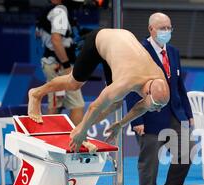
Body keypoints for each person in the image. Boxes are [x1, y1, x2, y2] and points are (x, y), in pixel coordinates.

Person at [27, 28, 170, 152]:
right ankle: (36, 94)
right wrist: (83, 130)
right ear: (147, 92)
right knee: (74, 84)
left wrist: (120, 124)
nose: (158, 110)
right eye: (157, 106)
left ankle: (79, 132)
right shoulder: (125, 84)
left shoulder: (159, 80)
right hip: (100, 40)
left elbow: (143, 106)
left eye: (161, 106)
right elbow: (94, 106)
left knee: (115, 104)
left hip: (120, 46)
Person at [125, 12, 194, 185]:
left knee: (186, 151)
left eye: (169, 28)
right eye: (162, 28)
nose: (167, 31)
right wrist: (136, 119)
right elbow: (131, 88)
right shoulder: (138, 52)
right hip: (149, 117)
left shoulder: (173, 52)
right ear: (151, 29)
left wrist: (188, 114)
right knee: (150, 166)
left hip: (174, 114)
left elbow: (179, 86)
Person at [35, 0, 85, 125]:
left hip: (54, 63)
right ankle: (75, 141)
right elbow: (56, 40)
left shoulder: (49, 10)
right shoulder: (60, 11)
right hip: (59, 65)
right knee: (75, 104)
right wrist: (67, 65)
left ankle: (52, 140)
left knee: (56, 104)